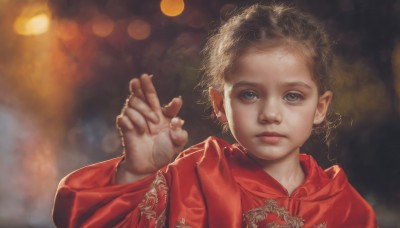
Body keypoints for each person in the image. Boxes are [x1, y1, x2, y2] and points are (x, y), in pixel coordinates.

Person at [53, 3, 377, 227]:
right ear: (220, 104)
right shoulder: (191, 178)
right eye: (249, 94)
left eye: (293, 96)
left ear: (320, 106)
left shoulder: (343, 204)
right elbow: (82, 219)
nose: (270, 114)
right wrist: (136, 172)